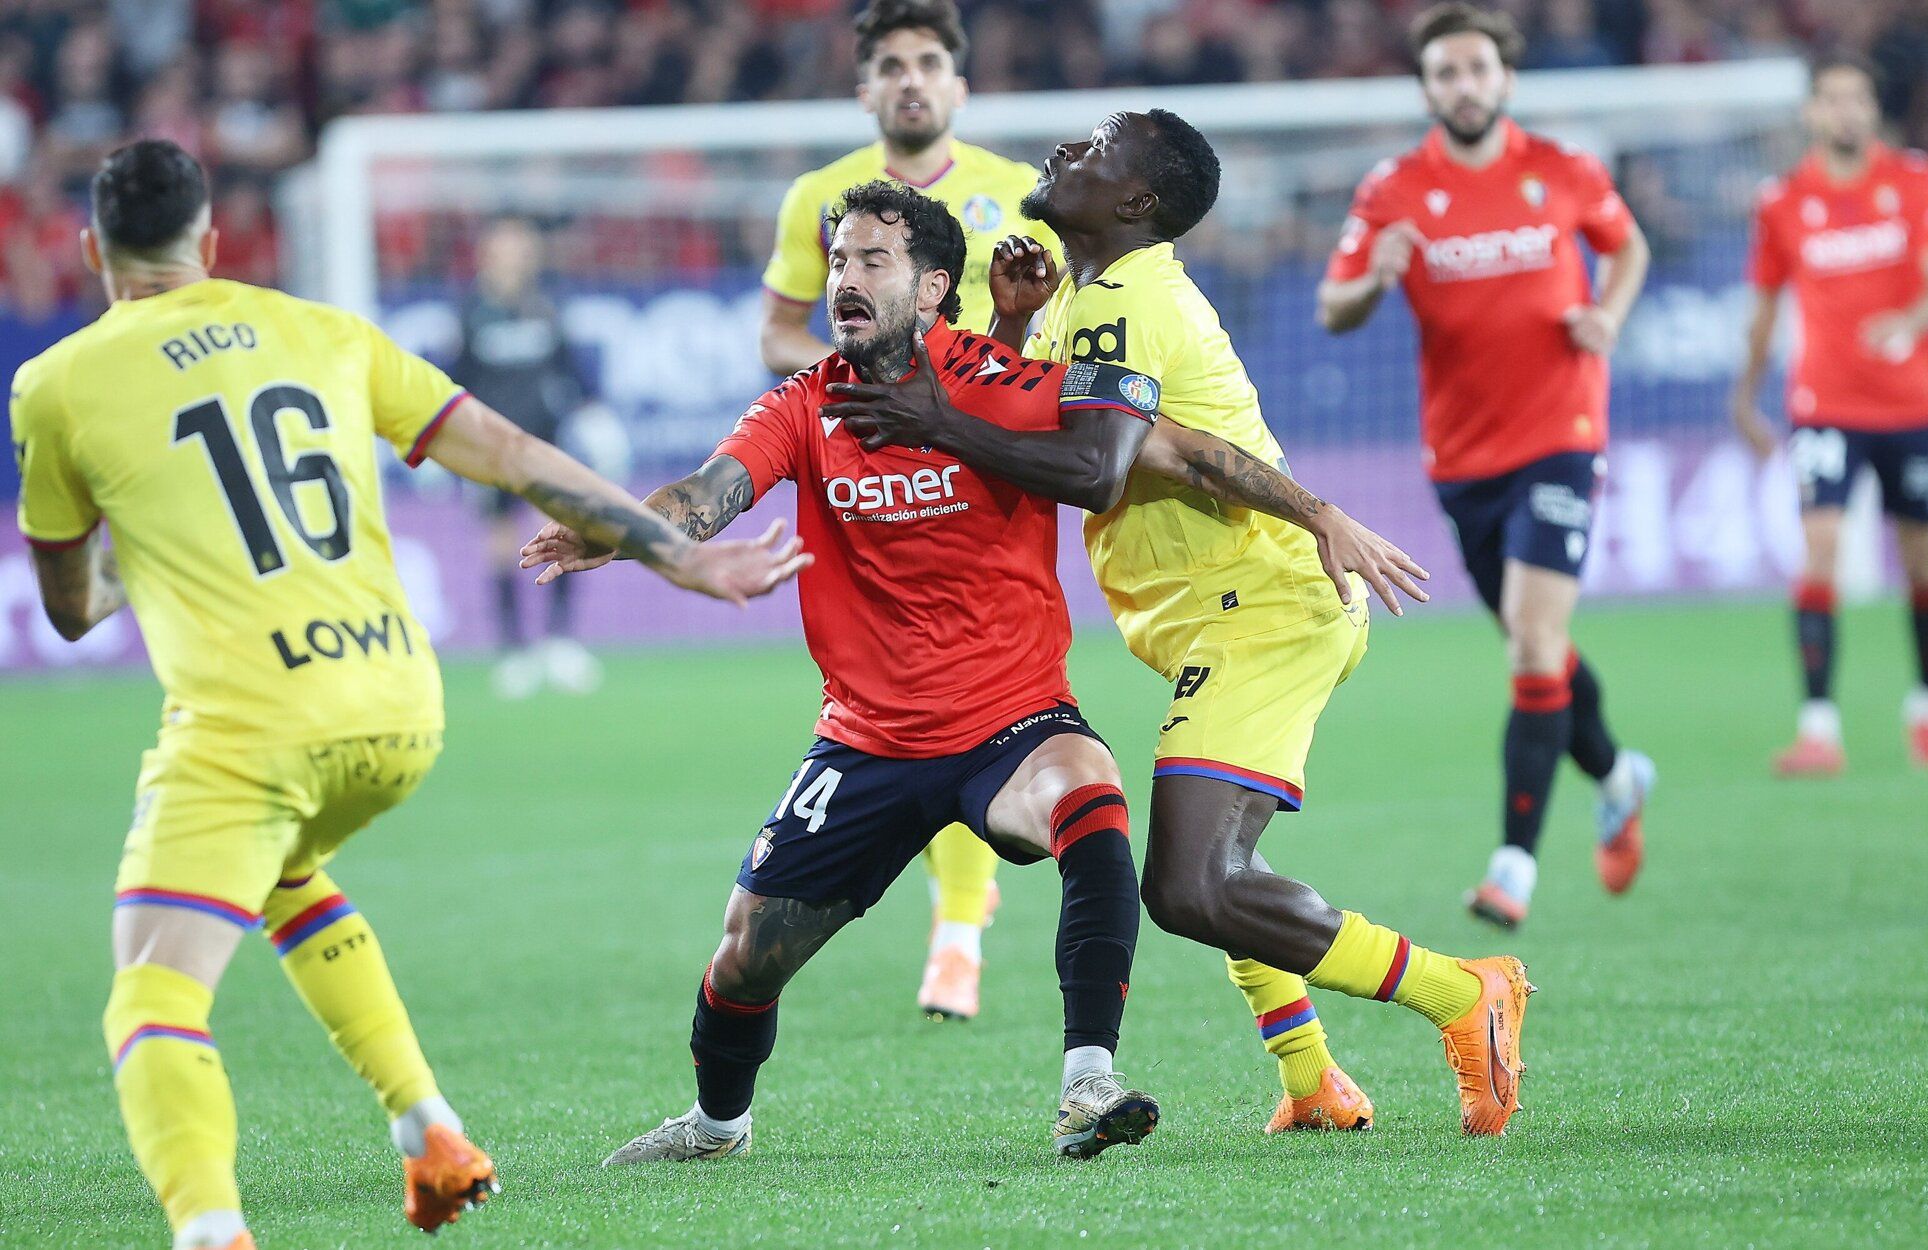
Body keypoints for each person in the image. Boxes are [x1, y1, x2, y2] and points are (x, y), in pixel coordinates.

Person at [11, 139, 806, 1250]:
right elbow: (511, 451)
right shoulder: (323, 330)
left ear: (95, 252)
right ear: (213, 242)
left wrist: (134, 549)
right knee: (281, 868)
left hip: (252, 726)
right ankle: (427, 1126)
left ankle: (210, 1230)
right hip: (397, 703)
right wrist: (679, 554)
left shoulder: (55, 383)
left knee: (151, 989)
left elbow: (68, 605)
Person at [822, 114, 1533, 1138]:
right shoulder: (1086, 296)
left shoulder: (1131, 299)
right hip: (1217, 615)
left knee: (1189, 881)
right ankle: (1312, 1078)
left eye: (1095, 148)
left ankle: (1464, 993)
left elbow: (1093, 467)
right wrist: (1014, 324)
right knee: (1215, 866)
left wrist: (936, 417)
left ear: (1135, 200)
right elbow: (1079, 435)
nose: (1066, 151)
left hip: (1263, 609)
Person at [756, 0, 1065, 1022]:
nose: (911, 79)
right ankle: (959, 925)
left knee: (979, 688)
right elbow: (776, 333)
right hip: (874, 470)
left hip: (979, 469)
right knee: (909, 689)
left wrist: (979, 377)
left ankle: (959, 930)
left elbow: (1036, 340)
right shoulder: (822, 198)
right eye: (891, 65)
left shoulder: (1017, 193)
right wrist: (864, 392)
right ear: (866, 89)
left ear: (959, 84)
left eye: (929, 61)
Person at [1317, 2, 1657, 927]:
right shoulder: (1393, 189)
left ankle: (1514, 866)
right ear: (1427, 88)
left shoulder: (1564, 168)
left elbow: (1628, 247)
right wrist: (1375, 276)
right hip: (1464, 456)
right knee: (1537, 645)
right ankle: (1618, 776)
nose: (1464, 86)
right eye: (1446, 73)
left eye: (1477, 69)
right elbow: (1333, 308)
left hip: (1564, 432)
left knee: (1534, 644)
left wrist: (1609, 317)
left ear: (1504, 77)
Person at [1733, 54, 1928, 774]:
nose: (1846, 111)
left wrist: (1908, 321)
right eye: (1832, 99)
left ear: (1873, 108)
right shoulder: (1783, 201)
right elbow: (1765, 306)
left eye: (1858, 98)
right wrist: (1745, 393)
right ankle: (1819, 730)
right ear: (1812, 113)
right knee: (1821, 547)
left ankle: (1926, 709)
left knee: (1922, 560)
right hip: (1823, 405)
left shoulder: (1917, 180)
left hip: (1909, 405)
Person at [450, 215, 603, 699]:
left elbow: (571, 369)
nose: (516, 256)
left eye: (523, 247)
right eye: (507, 247)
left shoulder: (546, 306)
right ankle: (513, 649)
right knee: (501, 543)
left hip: (544, 443)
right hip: (492, 448)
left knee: (560, 532)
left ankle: (559, 641)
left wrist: (593, 413)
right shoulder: (470, 313)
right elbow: (453, 382)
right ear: (488, 254)